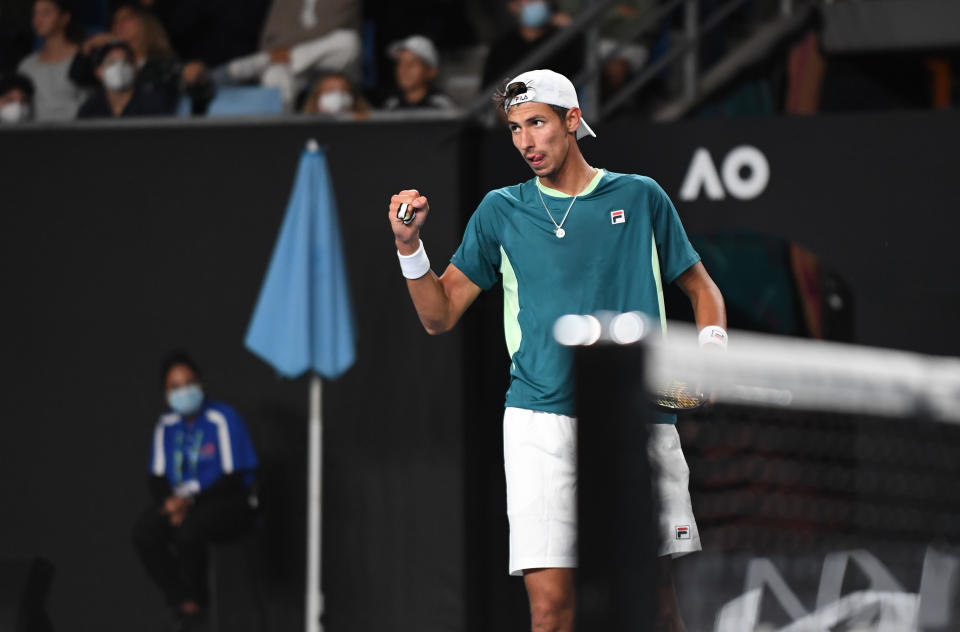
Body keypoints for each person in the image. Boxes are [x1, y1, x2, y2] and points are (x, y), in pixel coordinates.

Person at [387, 69, 727, 631]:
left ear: (572, 121)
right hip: (538, 425)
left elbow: (701, 289)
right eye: (516, 128)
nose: (525, 141)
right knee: (550, 612)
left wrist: (711, 351)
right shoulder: (500, 210)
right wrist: (409, 246)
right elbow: (438, 315)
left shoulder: (640, 197)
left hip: (637, 421)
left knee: (659, 606)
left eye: (537, 123)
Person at [133, 351, 258, 629]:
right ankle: (182, 600)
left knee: (190, 530)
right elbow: (156, 476)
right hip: (183, 502)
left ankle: (200, 604)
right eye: (175, 387)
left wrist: (189, 503)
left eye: (189, 383)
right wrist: (170, 503)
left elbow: (234, 477)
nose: (184, 391)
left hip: (226, 500)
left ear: (200, 383)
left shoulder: (222, 418)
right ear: (165, 393)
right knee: (145, 530)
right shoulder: (166, 426)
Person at [70, 3, 213, 115]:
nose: (119, 25)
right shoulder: (107, 63)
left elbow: (196, 95)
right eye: (115, 21)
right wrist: (88, 47)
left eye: (126, 18)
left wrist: (198, 78)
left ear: (145, 23)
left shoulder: (164, 65)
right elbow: (77, 76)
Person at [481, 1, 585, 89]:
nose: (536, 2)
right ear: (513, 6)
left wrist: (573, 29)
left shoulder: (564, 39)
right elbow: (491, 92)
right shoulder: (502, 47)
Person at [17, 0, 87, 121]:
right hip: (36, 136)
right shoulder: (26, 66)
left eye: (46, 13)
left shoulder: (83, 59)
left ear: (64, 17)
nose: (38, 19)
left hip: (76, 134)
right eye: (35, 14)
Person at [76, 40, 169, 118]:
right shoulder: (90, 109)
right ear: (98, 71)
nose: (119, 67)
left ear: (135, 68)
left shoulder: (153, 104)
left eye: (125, 61)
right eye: (111, 62)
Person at [381, 35, 456, 111]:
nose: (404, 70)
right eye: (400, 63)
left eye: (411, 64)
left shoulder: (441, 106)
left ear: (431, 71)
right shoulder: (391, 105)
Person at [302, 71, 370, 119]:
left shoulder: (368, 130)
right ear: (316, 98)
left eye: (343, 91)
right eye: (330, 91)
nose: (338, 96)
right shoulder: (301, 130)